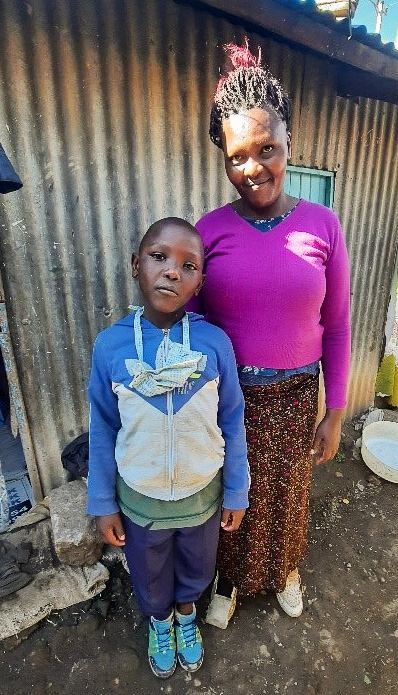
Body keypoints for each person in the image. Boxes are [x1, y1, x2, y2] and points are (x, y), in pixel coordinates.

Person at [189, 42, 350, 625]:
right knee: (235, 493)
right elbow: (192, 327)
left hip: (297, 396)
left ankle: (285, 571)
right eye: (237, 156)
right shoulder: (207, 231)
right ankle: (229, 581)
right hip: (230, 400)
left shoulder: (323, 225)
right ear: (223, 159)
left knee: (288, 493)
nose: (253, 168)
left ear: (288, 144)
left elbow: (338, 324)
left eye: (267, 149)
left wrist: (335, 412)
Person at [87, 217, 249, 677]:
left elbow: (232, 420)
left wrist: (236, 490)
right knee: (149, 570)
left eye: (188, 265)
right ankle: (160, 622)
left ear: (200, 282)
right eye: (159, 257)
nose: (172, 271)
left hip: (202, 494)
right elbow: (102, 427)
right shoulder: (111, 346)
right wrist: (102, 502)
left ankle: (186, 616)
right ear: (135, 265)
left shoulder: (214, 343)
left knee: (198, 565)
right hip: (141, 499)